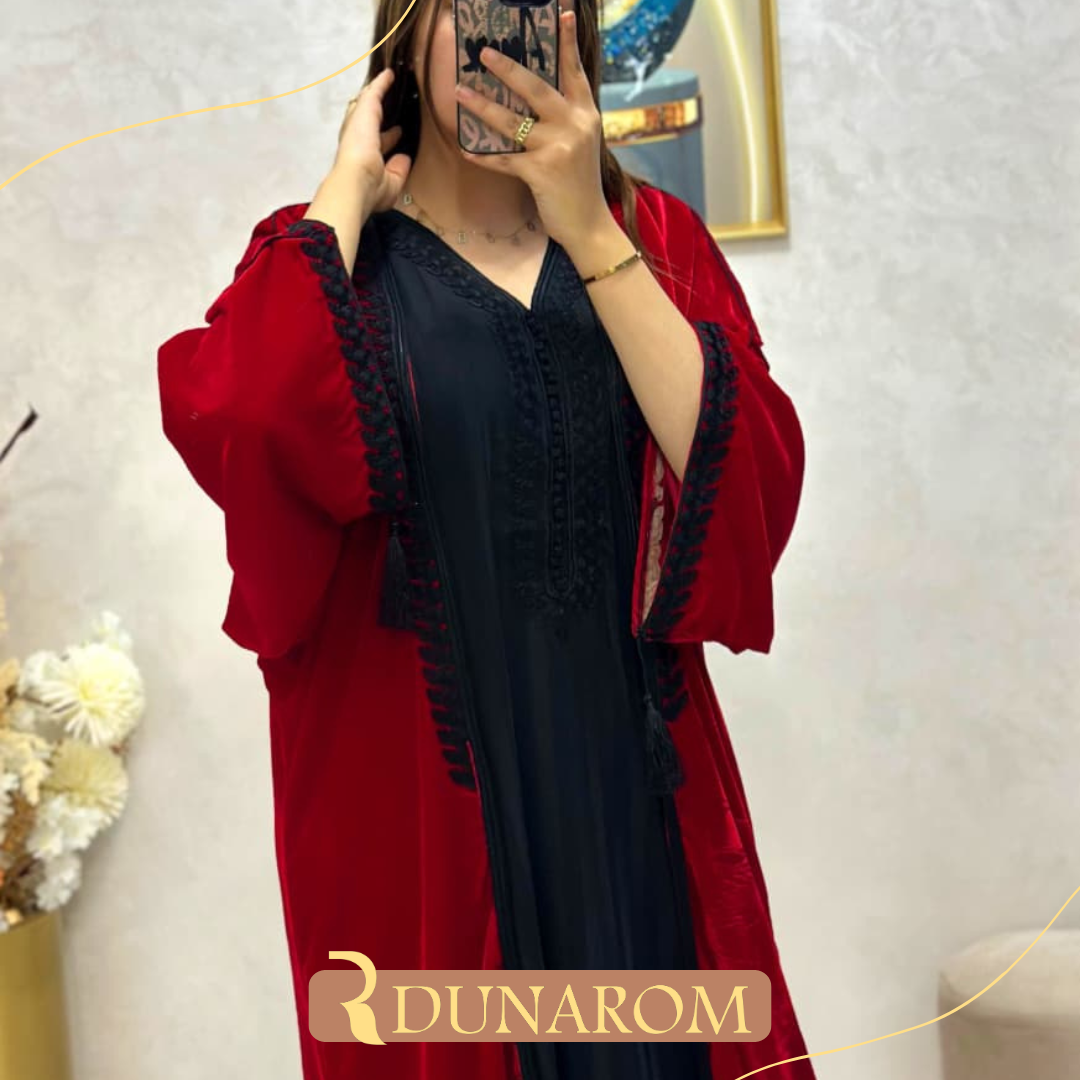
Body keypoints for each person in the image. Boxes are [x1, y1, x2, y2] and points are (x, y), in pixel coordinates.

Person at [157, 0, 816, 1077]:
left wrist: (586, 224)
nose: (499, 38)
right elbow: (246, 421)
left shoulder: (648, 236)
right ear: (407, 30)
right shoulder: (327, 257)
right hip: (417, 804)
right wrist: (345, 191)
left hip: (629, 785)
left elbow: (751, 481)